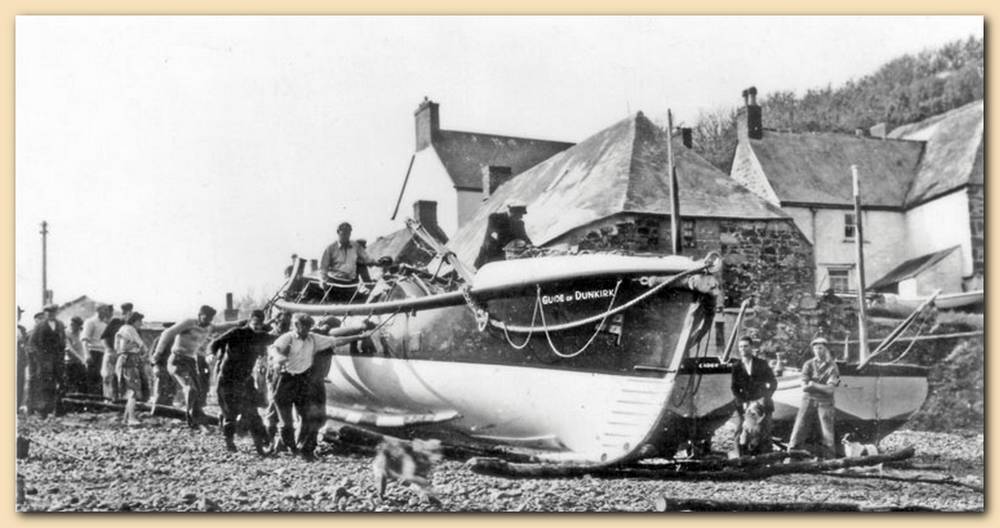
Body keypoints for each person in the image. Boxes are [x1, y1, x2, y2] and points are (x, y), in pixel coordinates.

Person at [267, 313, 369, 460]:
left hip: (301, 380)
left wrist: (358, 337)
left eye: (307, 327)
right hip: (285, 380)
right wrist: (278, 357)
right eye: (301, 327)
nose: (304, 330)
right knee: (285, 421)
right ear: (296, 325)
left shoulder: (313, 338)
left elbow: (336, 341)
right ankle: (289, 446)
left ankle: (302, 450)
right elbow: (273, 348)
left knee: (308, 417)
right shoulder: (287, 338)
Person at [156, 305, 244, 427]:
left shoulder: (209, 327)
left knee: (197, 391)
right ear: (199, 315)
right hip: (178, 359)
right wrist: (158, 353)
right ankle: (190, 418)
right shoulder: (189, 323)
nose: (207, 321)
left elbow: (223, 326)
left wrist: (239, 323)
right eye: (205, 318)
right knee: (190, 389)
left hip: (191, 361)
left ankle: (198, 416)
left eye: (210, 318)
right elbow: (167, 333)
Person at [208, 310, 275, 455]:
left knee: (252, 413)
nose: (257, 326)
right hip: (228, 379)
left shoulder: (262, 336)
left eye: (260, 324)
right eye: (255, 323)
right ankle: (229, 442)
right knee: (230, 413)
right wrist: (211, 354)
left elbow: (278, 338)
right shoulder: (237, 332)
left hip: (245, 380)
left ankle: (261, 446)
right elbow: (216, 343)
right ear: (250, 321)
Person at [788, 337, 841, 459]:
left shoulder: (833, 366)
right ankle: (791, 455)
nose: (818, 351)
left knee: (827, 432)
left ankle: (830, 460)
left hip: (825, 402)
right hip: (808, 399)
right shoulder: (808, 365)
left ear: (826, 349)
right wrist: (820, 387)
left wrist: (813, 385)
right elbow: (804, 387)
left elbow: (830, 389)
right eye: (816, 348)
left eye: (821, 348)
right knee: (799, 428)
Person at [730, 336, 777, 456]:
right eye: (740, 347)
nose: (743, 349)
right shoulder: (736, 366)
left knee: (765, 432)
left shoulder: (761, 364)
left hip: (762, 403)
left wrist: (765, 397)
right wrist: (743, 401)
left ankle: (765, 458)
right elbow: (734, 388)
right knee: (740, 431)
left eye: (746, 346)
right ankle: (740, 458)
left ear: (751, 347)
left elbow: (773, 382)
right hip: (744, 404)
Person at [26, 304, 67, 417]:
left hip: (57, 359)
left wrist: (61, 355)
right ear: (45, 313)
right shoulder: (40, 326)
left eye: (52, 312)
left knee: (58, 382)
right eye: (47, 312)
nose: (49, 314)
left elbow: (63, 340)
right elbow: (32, 343)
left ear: (56, 312)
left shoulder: (60, 325)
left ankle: (56, 409)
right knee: (44, 383)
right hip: (44, 359)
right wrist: (40, 357)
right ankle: (42, 410)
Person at [115, 312, 149, 426]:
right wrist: (137, 346)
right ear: (134, 321)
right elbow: (123, 347)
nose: (141, 324)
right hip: (128, 359)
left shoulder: (128, 329)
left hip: (131, 359)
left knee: (133, 389)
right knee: (133, 390)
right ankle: (131, 418)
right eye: (140, 321)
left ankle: (126, 418)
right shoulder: (128, 329)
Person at [100, 303, 135, 401]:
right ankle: (107, 400)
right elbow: (104, 338)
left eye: (130, 313)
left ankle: (119, 400)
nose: (128, 315)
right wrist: (109, 350)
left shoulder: (132, 326)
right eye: (126, 313)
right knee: (108, 377)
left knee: (123, 379)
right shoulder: (115, 322)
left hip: (123, 355)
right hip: (111, 352)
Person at [81, 304, 111, 396]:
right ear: (99, 310)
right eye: (105, 310)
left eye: (107, 310)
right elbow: (85, 340)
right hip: (93, 352)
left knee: (100, 379)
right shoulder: (90, 322)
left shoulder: (105, 324)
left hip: (103, 353)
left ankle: (98, 401)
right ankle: (91, 401)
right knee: (91, 378)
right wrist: (87, 354)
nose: (107, 312)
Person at [148, 323, 178, 413]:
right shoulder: (159, 340)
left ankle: (168, 411)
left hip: (172, 368)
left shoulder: (177, 340)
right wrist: (155, 366)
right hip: (162, 367)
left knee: (171, 391)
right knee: (160, 391)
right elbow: (152, 355)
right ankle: (157, 410)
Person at [63, 316, 89, 395]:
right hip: (69, 363)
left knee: (82, 386)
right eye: (71, 324)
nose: (72, 326)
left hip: (81, 363)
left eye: (74, 325)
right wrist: (81, 359)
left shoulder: (82, 332)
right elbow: (70, 349)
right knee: (70, 385)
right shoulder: (65, 333)